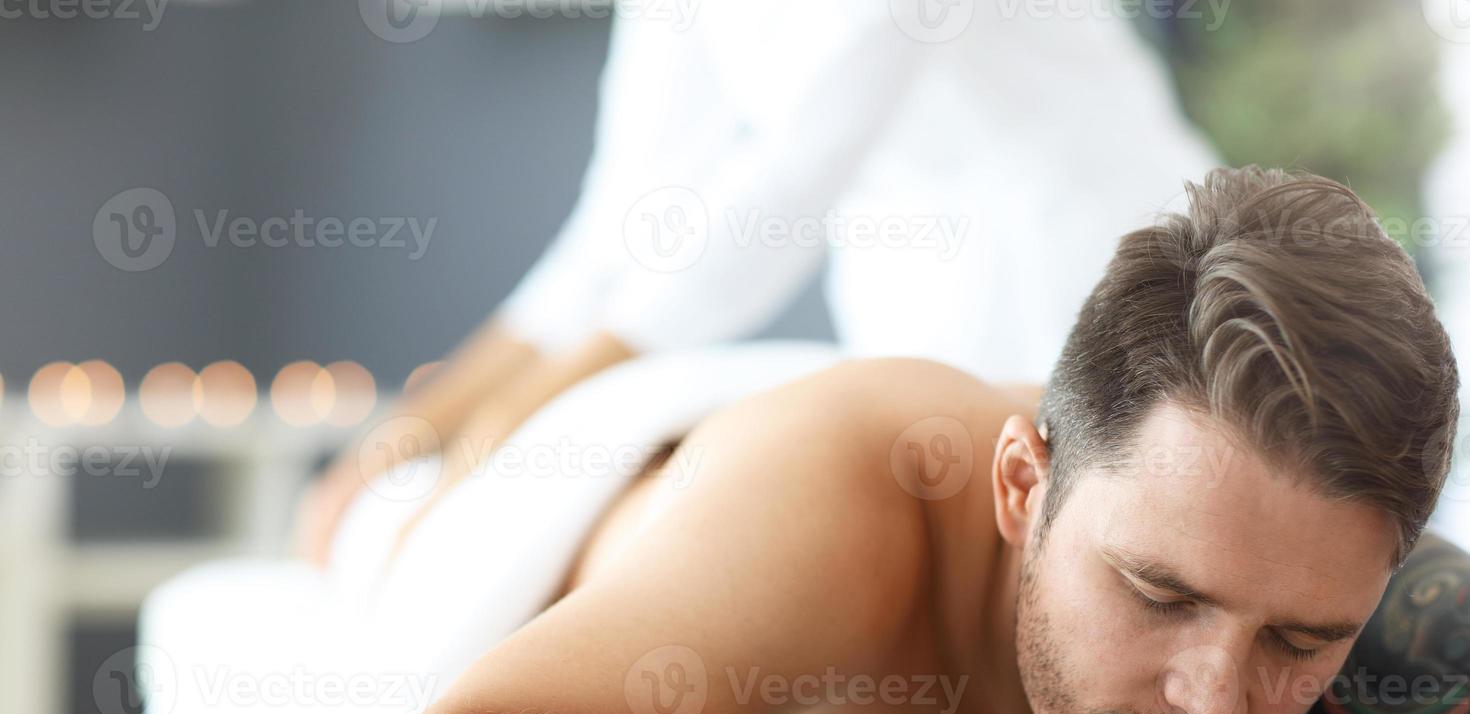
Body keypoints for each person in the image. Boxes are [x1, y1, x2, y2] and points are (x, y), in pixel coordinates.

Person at [322, 166, 1470, 714]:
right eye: (1159, 594)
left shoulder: (1331, 548)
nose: (1217, 702)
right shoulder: (837, 504)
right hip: (530, 489)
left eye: (1301, 640)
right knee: (363, 509)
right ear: (1022, 485)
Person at [294, 0, 1220, 564]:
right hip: (918, 300)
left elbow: (793, 174)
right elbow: (626, 211)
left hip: (1094, 273)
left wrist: (510, 431)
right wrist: (417, 432)